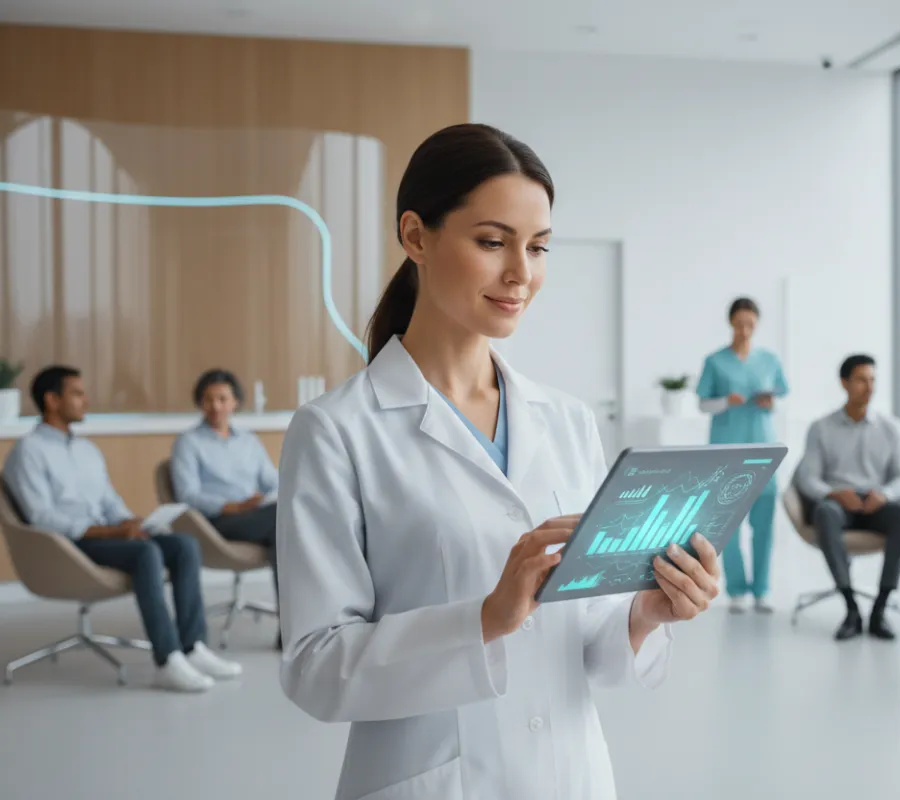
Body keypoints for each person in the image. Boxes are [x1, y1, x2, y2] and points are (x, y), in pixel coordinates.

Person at [276, 123, 720, 800]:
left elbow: (589, 648)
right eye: (492, 242)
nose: (522, 273)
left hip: (571, 777)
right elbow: (314, 667)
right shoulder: (336, 432)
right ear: (416, 236)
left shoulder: (566, 422)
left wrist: (647, 612)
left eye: (538, 247)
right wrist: (484, 618)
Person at [2, 365, 241, 692]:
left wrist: (132, 522)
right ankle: (167, 659)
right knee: (145, 553)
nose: (86, 401)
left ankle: (193, 646)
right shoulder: (28, 452)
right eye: (77, 393)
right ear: (52, 400)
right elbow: (43, 519)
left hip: (107, 534)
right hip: (69, 545)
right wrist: (113, 533)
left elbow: (110, 501)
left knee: (184, 545)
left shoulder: (87, 450)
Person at [794, 354, 900, 641]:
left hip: (876, 503)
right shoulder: (821, 428)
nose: (869, 387)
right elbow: (807, 477)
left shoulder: (892, 429)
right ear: (844, 383)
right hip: (838, 502)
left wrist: (884, 495)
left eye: (873, 380)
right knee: (825, 512)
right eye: (862, 380)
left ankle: (880, 607)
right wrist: (833, 493)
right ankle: (850, 607)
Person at [696, 297, 789, 613]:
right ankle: (736, 589)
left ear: (757, 325)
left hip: (763, 451)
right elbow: (703, 404)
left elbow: (780, 394)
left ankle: (762, 589)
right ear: (730, 323)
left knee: (764, 525)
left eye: (750, 324)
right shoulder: (715, 361)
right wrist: (726, 401)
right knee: (728, 526)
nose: (745, 330)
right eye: (739, 323)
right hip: (727, 452)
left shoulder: (770, 361)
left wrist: (769, 403)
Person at [170, 368, 280, 599]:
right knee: (283, 522)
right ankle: (291, 624)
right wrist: (235, 506)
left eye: (222, 399)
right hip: (218, 521)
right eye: (208, 399)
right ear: (200, 402)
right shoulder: (188, 442)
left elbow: (272, 481)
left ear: (235, 403)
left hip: (256, 515)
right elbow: (187, 495)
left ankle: (289, 623)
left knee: (284, 531)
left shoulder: (249, 440)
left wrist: (279, 493)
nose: (216, 406)